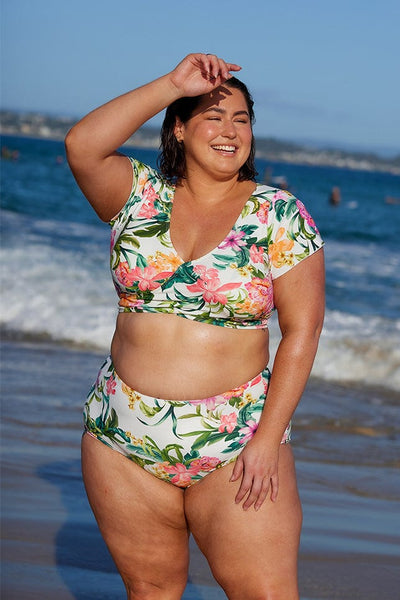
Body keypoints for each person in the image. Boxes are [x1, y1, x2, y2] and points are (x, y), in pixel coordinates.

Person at [65, 53, 325, 600]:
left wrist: (268, 439)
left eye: (242, 119)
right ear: (179, 128)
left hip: (237, 438)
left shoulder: (279, 215)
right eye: (213, 116)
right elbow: (82, 145)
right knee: (152, 588)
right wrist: (172, 84)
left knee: (266, 592)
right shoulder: (136, 195)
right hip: (123, 434)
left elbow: (302, 332)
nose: (231, 132)